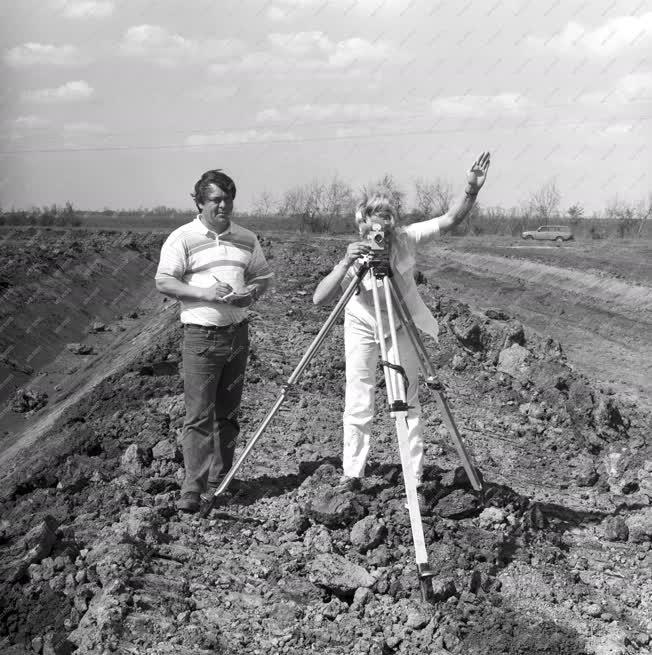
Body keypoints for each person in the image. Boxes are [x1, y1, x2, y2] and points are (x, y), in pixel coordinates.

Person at [313, 152, 490, 496]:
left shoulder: (406, 238)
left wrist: (471, 189)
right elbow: (319, 298)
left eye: (386, 223)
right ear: (361, 225)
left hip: (401, 321)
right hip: (362, 321)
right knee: (358, 396)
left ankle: (414, 474)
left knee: (406, 398)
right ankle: (352, 473)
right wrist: (345, 263)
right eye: (373, 224)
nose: (380, 232)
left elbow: (451, 219)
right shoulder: (355, 253)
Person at [155, 169, 273, 513]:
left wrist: (251, 292)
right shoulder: (183, 237)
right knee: (198, 416)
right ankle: (192, 490)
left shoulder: (247, 238)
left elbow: (263, 276)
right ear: (200, 202)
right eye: (216, 199)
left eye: (228, 199)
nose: (224, 205)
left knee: (229, 415)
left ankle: (219, 483)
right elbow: (164, 281)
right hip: (201, 337)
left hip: (237, 336)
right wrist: (204, 292)